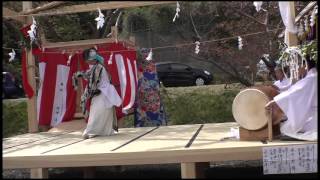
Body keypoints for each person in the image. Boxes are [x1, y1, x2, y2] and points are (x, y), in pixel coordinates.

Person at [265, 56, 317, 141]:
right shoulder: (312, 77)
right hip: (312, 115)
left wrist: (275, 101)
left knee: (286, 130)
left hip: (313, 120)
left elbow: (295, 92)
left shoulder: (311, 78)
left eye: (297, 66)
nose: (296, 69)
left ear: (305, 65)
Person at [74, 48, 122, 139]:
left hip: (103, 92)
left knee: (97, 112)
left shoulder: (99, 67)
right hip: (103, 92)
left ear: (90, 59)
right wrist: (80, 75)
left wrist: (86, 94)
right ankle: (102, 131)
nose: (87, 62)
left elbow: (94, 81)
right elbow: (89, 76)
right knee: (98, 112)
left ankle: (90, 131)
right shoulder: (96, 67)